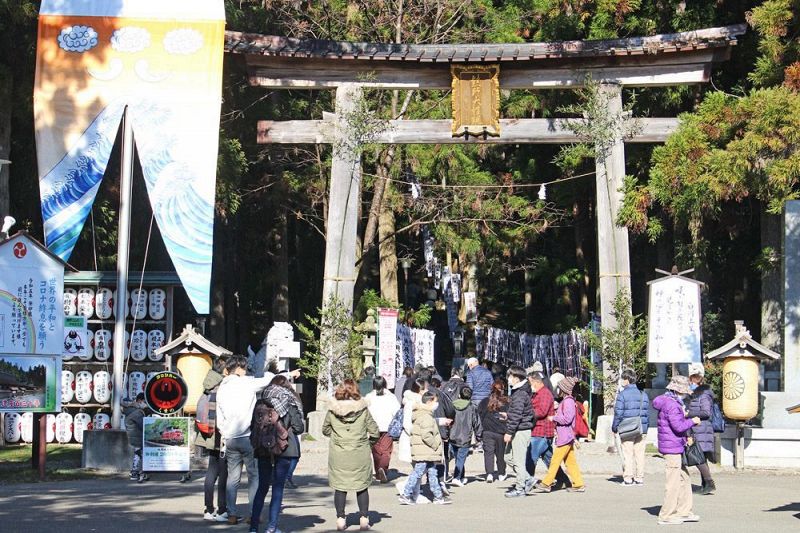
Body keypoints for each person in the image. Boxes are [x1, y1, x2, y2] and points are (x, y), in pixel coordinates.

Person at [217, 355, 272, 525]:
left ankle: (232, 514)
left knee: (232, 478)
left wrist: (224, 433)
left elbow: (220, 417)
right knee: (254, 477)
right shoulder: (247, 383)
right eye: (245, 367)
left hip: (230, 438)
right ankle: (253, 514)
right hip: (248, 436)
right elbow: (268, 379)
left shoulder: (222, 388)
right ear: (240, 368)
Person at [249, 375, 305, 533]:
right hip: (283, 448)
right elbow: (299, 427)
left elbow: (252, 425)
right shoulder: (288, 400)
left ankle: (253, 527)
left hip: (263, 449)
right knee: (278, 489)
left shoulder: (261, 401)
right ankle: (271, 527)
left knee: (262, 487)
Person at [323, 379, 380, 531]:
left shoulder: (332, 410)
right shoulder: (363, 410)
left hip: (339, 453)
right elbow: (374, 431)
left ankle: (341, 519)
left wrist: (337, 437)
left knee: (340, 487)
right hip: (359, 451)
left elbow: (325, 429)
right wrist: (368, 444)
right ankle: (363, 518)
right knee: (361, 486)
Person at [652, 375, 702, 526]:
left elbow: (675, 423)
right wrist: (692, 421)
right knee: (673, 482)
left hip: (673, 445)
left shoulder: (668, 402)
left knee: (684, 479)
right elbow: (678, 426)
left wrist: (684, 417)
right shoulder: (672, 405)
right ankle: (666, 515)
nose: (686, 394)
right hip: (672, 447)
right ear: (679, 391)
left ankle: (683, 511)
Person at [398, 391, 452, 506]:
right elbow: (426, 435)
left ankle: (438, 496)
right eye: (435, 402)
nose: (436, 404)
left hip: (424, 451)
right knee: (420, 472)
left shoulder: (422, 414)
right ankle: (406, 494)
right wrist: (435, 445)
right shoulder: (426, 416)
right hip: (426, 451)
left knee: (432, 473)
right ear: (429, 402)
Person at [533, 377, 586, 494]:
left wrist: (554, 417)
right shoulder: (568, 401)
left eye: (559, 388)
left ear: (564, 389)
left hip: (565, 436)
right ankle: (579, 484)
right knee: (570, 462)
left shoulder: (568, 401)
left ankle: (546, 483)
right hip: (567, 436)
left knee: (555, 461)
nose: (557, 390)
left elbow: (567, 418)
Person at [195, 357, 228, 521]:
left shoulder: (208, 383)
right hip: (220, 435)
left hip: (207, 434)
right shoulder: (222, 386)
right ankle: (222, 510)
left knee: (211, 472)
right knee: (223, 474)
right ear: (224, 369)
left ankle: (208, 510)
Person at [526, 371, 570, 489]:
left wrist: (526, 413)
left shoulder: (544, 394)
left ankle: (526, 481)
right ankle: (564, 480)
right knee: (549, 460)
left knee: (531, 458)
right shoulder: (537, 393)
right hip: (539, 430)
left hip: (542, 431)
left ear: (536, 382)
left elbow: (542, 412)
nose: (529, 385)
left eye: (530, 382)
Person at [612, 369, 650, 487]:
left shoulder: (622, 395)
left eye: (623, 379)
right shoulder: (643, 394)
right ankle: (639, 478)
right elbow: (646, 413)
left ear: (627, 380)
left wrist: (614, 427)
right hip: (641, 427)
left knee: (628, 453)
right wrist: (646, 427)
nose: (621, 381)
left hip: (627, 428)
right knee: (640, 454)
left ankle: (628, 478)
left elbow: (618, 413)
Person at [503, 366, 534, 498]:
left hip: (520, 430)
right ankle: (527, 478)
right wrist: (508, 415)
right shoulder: (518, 392)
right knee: (508, 457)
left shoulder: (520, 393)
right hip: (519, 428)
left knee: (518, 461)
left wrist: (509, 432)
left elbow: (517, 415)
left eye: (509, 376)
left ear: (516, 378)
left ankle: (520, 487)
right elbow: (516, 412)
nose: (508, 379)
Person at [365, 375, 401, 483]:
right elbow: (397, 411)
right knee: (386, 451)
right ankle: (383, 469)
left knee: (376, 450)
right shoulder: (391, 397)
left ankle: (378, 471)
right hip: (387, 426)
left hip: (373, 427)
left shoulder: (369, 397)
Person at [687, 364, 717, 495]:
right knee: (701, 458)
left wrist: (688, 414)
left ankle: (709, 483)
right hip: (698, 428)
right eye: (693, 377)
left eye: (696, 377)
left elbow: (706, 412)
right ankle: (705, 484)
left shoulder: (703, 394)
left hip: (701, 428)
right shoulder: (695, 393)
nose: (694, 379)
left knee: (698, 458)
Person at [448, 387, 482, 486]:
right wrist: (479, 436)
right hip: (465, 436)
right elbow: (477, 422)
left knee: (458, 457)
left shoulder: (452, 405)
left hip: (453, 434)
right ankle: (457, 477)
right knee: (461, 458)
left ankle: (461, 477)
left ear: (459, 395)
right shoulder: (472, 407)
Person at [477, 379, 508, 483]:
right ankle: (501, 473)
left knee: (488, 453)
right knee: (501, 453)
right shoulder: (505, 402)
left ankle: (489, 473)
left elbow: (480, 414)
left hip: (487, 430)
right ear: (502, 389)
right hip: (501, 431)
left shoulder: (485, 401)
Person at [123, 393, 147, 483]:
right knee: (138, 454)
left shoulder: (130, 409)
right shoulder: (137, 412)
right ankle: (134, 472)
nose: (145, 404)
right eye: (145, 401)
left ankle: (135, 471)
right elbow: (142, 424)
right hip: (137, 435)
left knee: (138, 453)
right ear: (140, 401)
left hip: (133, 434)